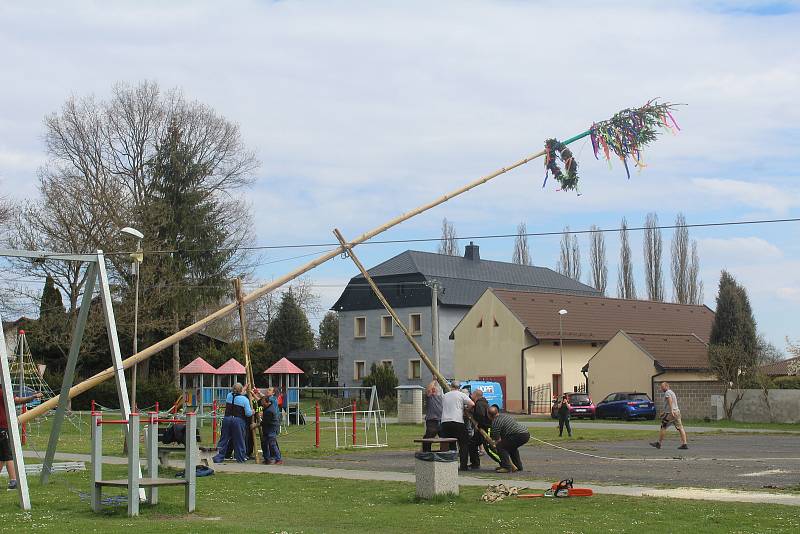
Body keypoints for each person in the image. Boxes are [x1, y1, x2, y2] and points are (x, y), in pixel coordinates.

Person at [0, 388, 42, 490]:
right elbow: (17, 400)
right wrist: (33, 396)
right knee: (8, 455)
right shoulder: (2, 392)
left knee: (1, 456)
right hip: (3, 427)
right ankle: (13, 481)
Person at [213, 382, 253, 463]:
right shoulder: (244, 400)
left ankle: (218, 457)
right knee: (239, 440)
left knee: (224, 439)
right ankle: (240, 458)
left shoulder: (229, 396)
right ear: (241, 390)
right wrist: (253, 411)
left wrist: (244, 387)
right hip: (238, 420)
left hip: (227, 419)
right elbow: (248, 413)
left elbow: (237, 393)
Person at [439, 382, 475, 471]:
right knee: (463, 444)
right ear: (459, 387)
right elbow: (472, 404)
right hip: (457, 421)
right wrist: (466, 409)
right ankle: (463, 465)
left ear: (451, 387)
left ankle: (451, 464)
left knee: (450, 443)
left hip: (445, 422)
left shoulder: (445, 395)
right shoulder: (461, 395)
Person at [488, 406, 530, 473]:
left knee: (500, 446)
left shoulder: (495, 423)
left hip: (518, 435)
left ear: (489, 415)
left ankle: (506, 467)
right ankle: (518, 466)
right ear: (497, 412)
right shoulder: (505, 416)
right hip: (525, 433)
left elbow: (498, 440)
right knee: (512, 448)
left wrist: (492, 445)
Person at [650, 381, 688, 450]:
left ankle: (659, 443)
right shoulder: (672, 392)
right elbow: (670, 403)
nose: (661, 388)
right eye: (661, 387)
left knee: (663, 427)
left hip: (671, 414)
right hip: (677, 412)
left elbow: (670, 401)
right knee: (680, 428)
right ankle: (684, 444)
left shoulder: (667, 392)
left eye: (662, 387)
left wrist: (671, 411)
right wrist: (664, 412)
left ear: (667, 386)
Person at [253, 387, 282, 464]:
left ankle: (278, 458)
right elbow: (260, 401)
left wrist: (256, 425)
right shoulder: (266, 403)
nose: (267, 391)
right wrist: (253, 394)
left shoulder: (272, 401)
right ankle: (267, 458)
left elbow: (265, 422)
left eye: (269, 390)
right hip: (267, 425)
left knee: (272, 442)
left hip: (272, 425)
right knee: (265, 442)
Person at [468, 389, 490, 470]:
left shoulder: (479, 403)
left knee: (472, 443)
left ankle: (475, 464)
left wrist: (479, 425)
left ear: (476, 395)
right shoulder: (483, 402)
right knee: (473, 443)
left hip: (483, 428)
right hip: (484, 427)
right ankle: (475, 463)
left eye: (472, 394)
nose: (471, 395)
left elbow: (481, 415)